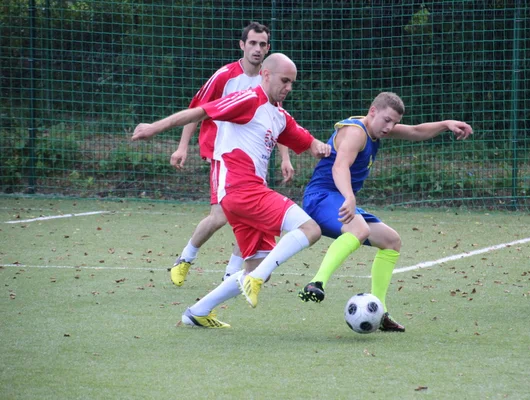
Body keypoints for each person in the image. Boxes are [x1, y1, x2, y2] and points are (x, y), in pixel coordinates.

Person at [132, 53, 331, 328]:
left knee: (257, 267)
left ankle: (197, 312)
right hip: (241, 190)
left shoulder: (279, 115)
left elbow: (305, 139)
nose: (289, 87)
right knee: (311, 229)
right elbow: (201, 111)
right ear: (265, 75)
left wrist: (320, 146)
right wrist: (156, 127)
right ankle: (253, 279)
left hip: (244, 196)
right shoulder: (249, 99)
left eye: (292, 83)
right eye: (284, 80)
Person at [298, 92, 473, 332]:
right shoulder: (356, 132)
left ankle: (379, 312)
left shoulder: (376, 129)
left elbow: (415, 132)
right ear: (373, 111)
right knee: (360, 229)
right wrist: (349, 197)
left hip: (340, 197)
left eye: (394, 122)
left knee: (391, 241)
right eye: (387, 120)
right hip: (321, 197)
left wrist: (445, 125)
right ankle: (316, 283)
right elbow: (340, 167)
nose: (390, 127)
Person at [168, 21, 295, 287]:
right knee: (220, 216)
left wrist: (285, 158)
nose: (257, 49)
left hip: (255, 160)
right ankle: (185, 259)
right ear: (242, 45)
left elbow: (279, 120)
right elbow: (197, 109)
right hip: (222, 156)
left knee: (252, 217)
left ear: (268, 48)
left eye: (262, 44)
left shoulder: (270, 78)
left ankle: (231, 276)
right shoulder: (225, 76)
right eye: (252, 43)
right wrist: (183, 146)